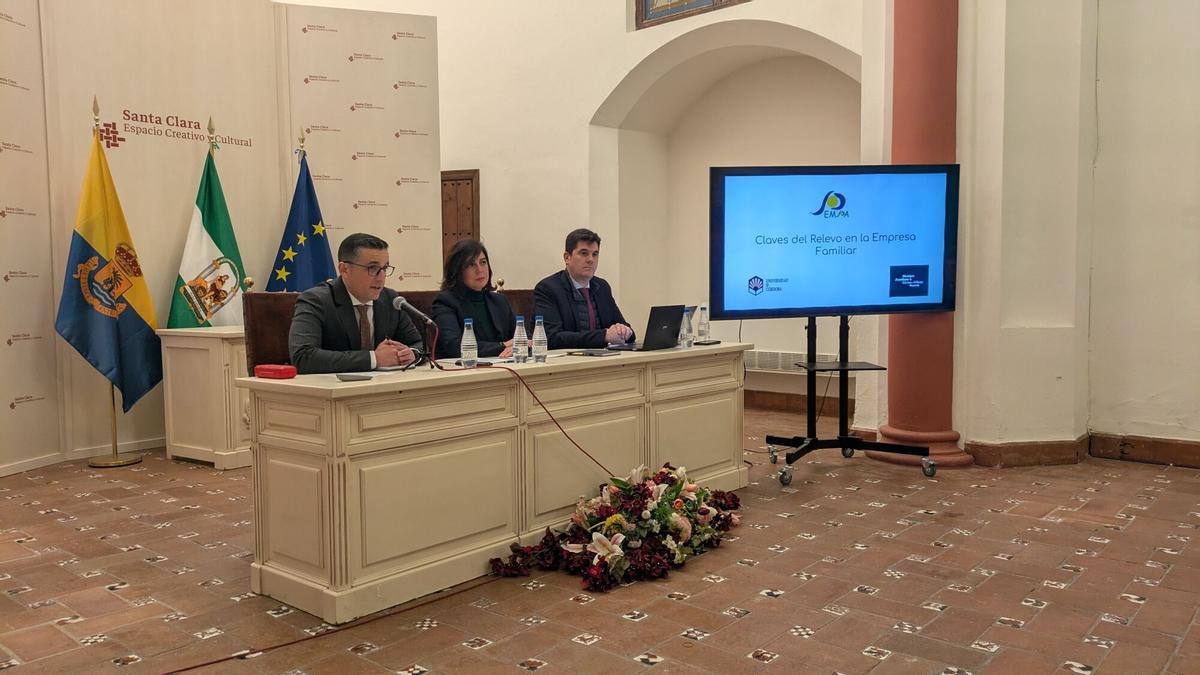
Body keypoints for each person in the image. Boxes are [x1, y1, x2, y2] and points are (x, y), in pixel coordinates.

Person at [289, 232, 422, 374]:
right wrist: (374, 358)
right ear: (344, 269)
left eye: (384, 269)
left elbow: (419, 344)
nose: (381, 278)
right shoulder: (316, 300)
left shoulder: (390, 299)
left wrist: (412, 354)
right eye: (373, 268)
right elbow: (303, 357)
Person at [533, 228, 634, 349]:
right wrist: (603, 336)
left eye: (595, 254)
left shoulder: (602, 287)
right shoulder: (548, 289)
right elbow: (551, 338)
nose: (591, 260)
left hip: (605, 359)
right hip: (568, 362)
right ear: (567, 257)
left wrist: (625, 331)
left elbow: (624, 327)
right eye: (584, 253)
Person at [431, 239, 516, 359]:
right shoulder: (445, 303)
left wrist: (517, 346)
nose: (480, 270)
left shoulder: (499, 301)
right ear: (457, 271)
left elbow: (523, 334)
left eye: (483, 262)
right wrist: (502, 346)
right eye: (471, 264)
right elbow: (455, 346)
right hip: (461, 372)